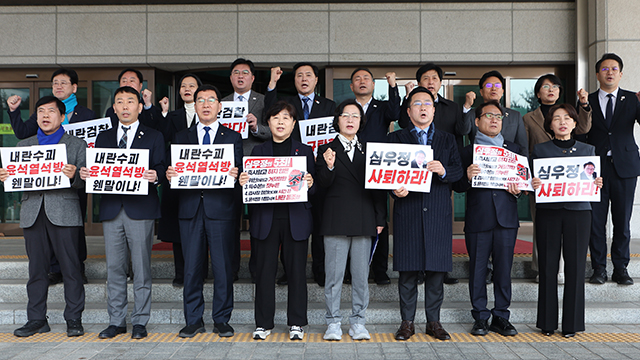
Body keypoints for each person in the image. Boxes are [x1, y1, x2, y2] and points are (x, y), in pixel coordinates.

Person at [79, 86, 165, 340]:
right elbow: (97, 167)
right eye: (120, 102)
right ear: (113, 108)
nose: (125, 106)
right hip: (112, 208)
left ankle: (140, 321)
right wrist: (87, 173)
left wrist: (156, 175)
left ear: (139, 106)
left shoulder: (154, 135)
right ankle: (116, 321)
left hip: (141, 208)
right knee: (114, 268)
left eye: (130, 101)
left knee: (141, 268)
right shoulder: (103, 138)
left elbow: (161, 165)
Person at [0, 96, 87, 337]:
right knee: (36, 270)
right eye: (40, 111)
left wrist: (74, 176)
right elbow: (18, 181)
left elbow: (84, 182)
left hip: (64, 213)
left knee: (71, 269)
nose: (45, 115)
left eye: (51, 111)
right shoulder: (22, 146)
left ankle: (73, 319)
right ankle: (36, 319)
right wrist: (7, 177)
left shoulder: (77, 145)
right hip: (32, 213)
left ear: (62, 116)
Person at [166, 84, 243, 338]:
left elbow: (242, 174)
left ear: (220, 106)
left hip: (221, 210)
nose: (206, 104)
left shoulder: (232, 138)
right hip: (190, 209)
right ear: (194, 106)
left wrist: (236, 175)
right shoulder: (181, 137)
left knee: (222, 267)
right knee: (192, 268)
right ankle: (193, 319)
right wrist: (170, 174)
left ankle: (222, 318)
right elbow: (174, 173)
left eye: (211, 99)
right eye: (201, 100)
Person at [6, 68, 95, 286]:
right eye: (55, 83)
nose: (58, 86)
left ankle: (76, 266)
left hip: (73, 179)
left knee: (73, 225)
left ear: (74, 87)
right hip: (43, 182)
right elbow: (22, 133)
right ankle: (55, 269)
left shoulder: (87, 114)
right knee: (49, 227)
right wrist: (14, 111)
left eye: (63, 83)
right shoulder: (44, 113)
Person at [389, 87, 462, 341]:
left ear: (433, 110)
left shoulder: (447, 139)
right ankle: (407, 323)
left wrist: (443, 171)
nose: (422, 107)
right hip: (408, 211)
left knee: (436, 273)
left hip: (438, 213)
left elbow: (458, 173)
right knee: (407, 272)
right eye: (417, 103)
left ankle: (434, 322)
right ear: (408, 111)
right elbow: (386, 176)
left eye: (427, 103)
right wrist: (393, 190)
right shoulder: (395, 139)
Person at [238, 101, 315, 341]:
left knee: (296, 274)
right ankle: (263, 323)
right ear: (268, 123)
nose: (280, 122)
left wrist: (311, 185)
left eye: (286, 118)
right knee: (264, 273)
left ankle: (297, 323)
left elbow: (313, 192)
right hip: (265, 220)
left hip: (296, 220)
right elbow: (251, 188)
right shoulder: (258, 152)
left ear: (293, 124)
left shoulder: (304, 151)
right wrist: (244, 182)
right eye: (275, 118)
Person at [531, 103, 603, 337]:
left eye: (567, 118)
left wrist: (597, 183)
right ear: (549, 125)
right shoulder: (540, 150)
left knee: (575, 268)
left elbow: (591, 179)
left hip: (579, 212)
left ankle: (572, 325)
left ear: (575, 123)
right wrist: (533, 184)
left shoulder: (588, 149)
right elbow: (532, 181)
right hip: (548, 212)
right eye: (556, 118)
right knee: (548, 267)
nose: (562, 122)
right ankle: (547, 323)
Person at [316, 99, 386, 341]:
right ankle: (333, 322)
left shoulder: (370, 149)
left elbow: (378, 188)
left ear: (360, 122)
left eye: (355, 116)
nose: (350, 120)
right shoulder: (325, 149)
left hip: (365, 217)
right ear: (337, 120)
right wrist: (330, 166)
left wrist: (380, 217)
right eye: (345, 115)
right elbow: (321, 185)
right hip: (335, 218)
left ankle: (358, 322)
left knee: (360, 277)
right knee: (333, 277)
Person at [452, 101, 522, 337]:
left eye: (498, 116)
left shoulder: (514, 149)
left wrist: (519, 189)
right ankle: (480, 316)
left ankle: (501, 316)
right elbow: (457, 186)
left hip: (506, 219)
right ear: (477, 121)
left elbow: (523, 182)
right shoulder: (466, 151)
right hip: (478, 219)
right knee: (478, 270)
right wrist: (467, 176)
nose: (494, 120)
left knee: (503, 270)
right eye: (488, 115)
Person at [264, 62, 336, 286]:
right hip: (290, 176)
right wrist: (272, 84)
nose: (304, 79)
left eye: (308, 75)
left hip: (320, 172)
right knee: (291, 225)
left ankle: (320, 270)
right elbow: (270, 112)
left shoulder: (328, 105)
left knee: (320, 224)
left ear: (316, 80)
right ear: (294, 80)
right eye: (298, 76)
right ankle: (289, 270)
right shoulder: (287, 104)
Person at [522, 74, 592, 282]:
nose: (551, 90)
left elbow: (584, 128)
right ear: (538, 93)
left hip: (569, 182)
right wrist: (528, 178)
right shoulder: (529, 118)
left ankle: (562, 269)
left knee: (570, 228)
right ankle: (541, 268)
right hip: (542, 181)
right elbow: (526, 149)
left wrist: (584, 105)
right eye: (545, 86)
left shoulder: (568, 114)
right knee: (542, 225)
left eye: (555, 86)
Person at [586, 53, 640, 285]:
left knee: (622, 220)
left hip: (625, 167)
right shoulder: (586, 100)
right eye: (605, 69)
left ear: (620, 73)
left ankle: (620, 267)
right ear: (597, 74)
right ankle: (599, 267)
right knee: (595, 221)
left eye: (614, 68)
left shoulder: (633, 99)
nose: (609, 72)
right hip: (594, 169)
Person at [349, 67, 400, 286]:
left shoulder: (382, 107)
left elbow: (396, 113)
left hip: (377, 167)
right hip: (351, 168)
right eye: (357, 79)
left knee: (380, 219)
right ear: (351, 86)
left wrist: (392, 86)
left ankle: (380, 270)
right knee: (352, 217)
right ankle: (352, 271)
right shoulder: (347, 109)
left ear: (372, 85)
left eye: (366, 79)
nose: (362, 82)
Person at [222, 58, 269, 283]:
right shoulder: (221, 103)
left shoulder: (264, 101)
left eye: (245, 73)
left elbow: (276, 130)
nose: (240, 76)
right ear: (231, 78)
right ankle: (231, 270)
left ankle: (257, 269)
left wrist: (256, 126)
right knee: (230, 221)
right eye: (236, 72)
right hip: (229, 169)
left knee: (259, 222)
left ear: (252, 78)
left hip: (256, 168)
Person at [158, 73, 203, 287]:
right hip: (176, 177)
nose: (187, 89)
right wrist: (165, 114)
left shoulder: (208, 114)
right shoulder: (172, 115)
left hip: (202, 178)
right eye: (183, 86)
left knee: (201, 228)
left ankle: (200, 272)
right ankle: (180, 273)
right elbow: (163, 138)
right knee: (178, 229)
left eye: (192, 86)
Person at [399, 63, 467, 149]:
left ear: (440, 82)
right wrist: (408, 97)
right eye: (426, 78)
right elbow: (403, 123)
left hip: (444, 155)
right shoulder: (414, 106)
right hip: (416, 155)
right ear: (419, 83)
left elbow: (460, 134)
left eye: (434, 78)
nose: (430, 82)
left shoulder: (452, 107)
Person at [462, 70, 528, 156]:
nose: (493, 88)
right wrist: (467, 106)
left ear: (503, 91)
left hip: (508, 165)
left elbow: (522, 146)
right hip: (479, 163)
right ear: (481, 92)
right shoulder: (472, 113)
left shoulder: (515, 115)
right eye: (489, 85)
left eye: (497, 85)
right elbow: (463, 131)